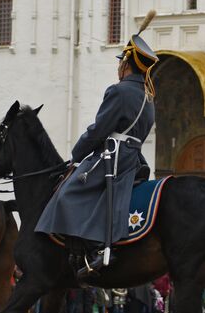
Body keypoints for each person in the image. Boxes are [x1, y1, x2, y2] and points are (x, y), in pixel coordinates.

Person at [35, 24, 157, 277]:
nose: (119, 66)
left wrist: (76, 155)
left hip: (113, 157)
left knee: (68, 193)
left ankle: (89, 250)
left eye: (121, 62)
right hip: (134, 158)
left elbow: (99, 130)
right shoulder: (148, 97)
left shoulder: (119, 91)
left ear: (126, 64)